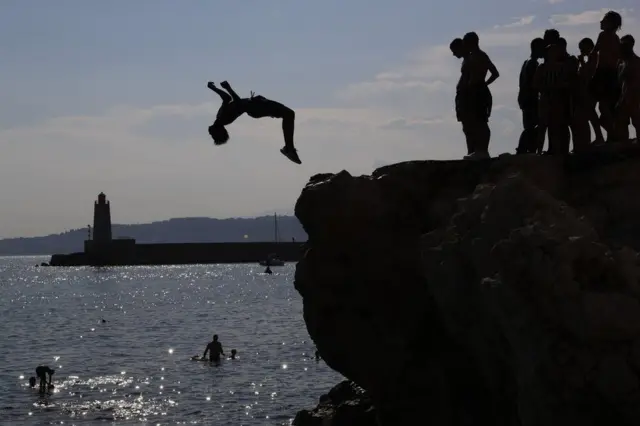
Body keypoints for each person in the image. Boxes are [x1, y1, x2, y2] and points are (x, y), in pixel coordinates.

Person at [207, 81, 301, 164]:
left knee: (288, 114)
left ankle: (289, 148)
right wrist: (228, 88)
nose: (210, 133)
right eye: (213, 135)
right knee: (288, 114)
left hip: (255, 106)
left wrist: (213, 88)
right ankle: (289, 148)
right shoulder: (223, 119)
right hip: (255, 108)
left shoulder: (220, 117)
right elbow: (239, 104)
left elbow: (226, 98)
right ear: (218, 131)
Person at [460, 32, 499, 160]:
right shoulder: (472, 56)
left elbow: (495, 73)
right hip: (474, 91)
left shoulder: (480, 56)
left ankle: (483, 150)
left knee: (481, 121)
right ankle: (478, 150)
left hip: (478, 91)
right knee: (475, 121)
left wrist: (483, 84)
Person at [589, 11, 623, 142]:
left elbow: (594, 52)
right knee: (604, 107)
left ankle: (607, 135)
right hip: (608, 74)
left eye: (604, 20)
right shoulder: (614, 38)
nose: (601, 22)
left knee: (598, 106)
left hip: (605, 74)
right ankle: (609, 135)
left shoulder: (605, 36)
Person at [572, 37, 606, 150]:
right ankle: (596, 137)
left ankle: (599, 136)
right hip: (587, 89)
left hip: (591, 89)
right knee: (589, 114)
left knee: (590, 113)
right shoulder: (592, 57)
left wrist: (582, 63)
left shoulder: (594, 57)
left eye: (582, 49)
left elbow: (590, 72)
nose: (581, 51)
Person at [516, 38, 545, 154]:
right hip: (530, 99)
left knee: (530, 126)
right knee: (532, 126)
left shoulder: (526, 62)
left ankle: (527, 149)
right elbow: (534, 84)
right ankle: (523, 149)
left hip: (525, 98)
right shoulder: (533, 64)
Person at [450, 38, 473, 156]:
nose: (454, 54)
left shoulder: (471, 60)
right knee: (466, 126)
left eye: (454, 51)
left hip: (468, 96)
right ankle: (471, 150)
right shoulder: (466, 60)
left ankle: (474, 150)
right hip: (463, 96)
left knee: (471, 125)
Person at [614, 35, 640, 141]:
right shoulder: (621, 64)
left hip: (634, 97)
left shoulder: (636, 62)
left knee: (636, 120)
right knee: (621, 122)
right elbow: (622, 84)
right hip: (624, 97)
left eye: (626, 45)